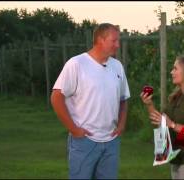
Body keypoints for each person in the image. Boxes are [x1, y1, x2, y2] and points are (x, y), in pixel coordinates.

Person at [51, 23, 130, 179]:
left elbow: (123, 99)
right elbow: (56, 97)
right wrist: (74, 129)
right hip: (84, 141)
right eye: (114, 41)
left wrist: (121, 124)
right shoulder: (77, 64)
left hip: (111, 141)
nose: (118, 45)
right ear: (100, 39)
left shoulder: (117, 66)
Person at [140, 54, 184, 179]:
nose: (172, 72)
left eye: (175, 68)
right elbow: (161, 121)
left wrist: (172, 125)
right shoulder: (176, 97)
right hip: (177, 159)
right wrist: (149, 104)